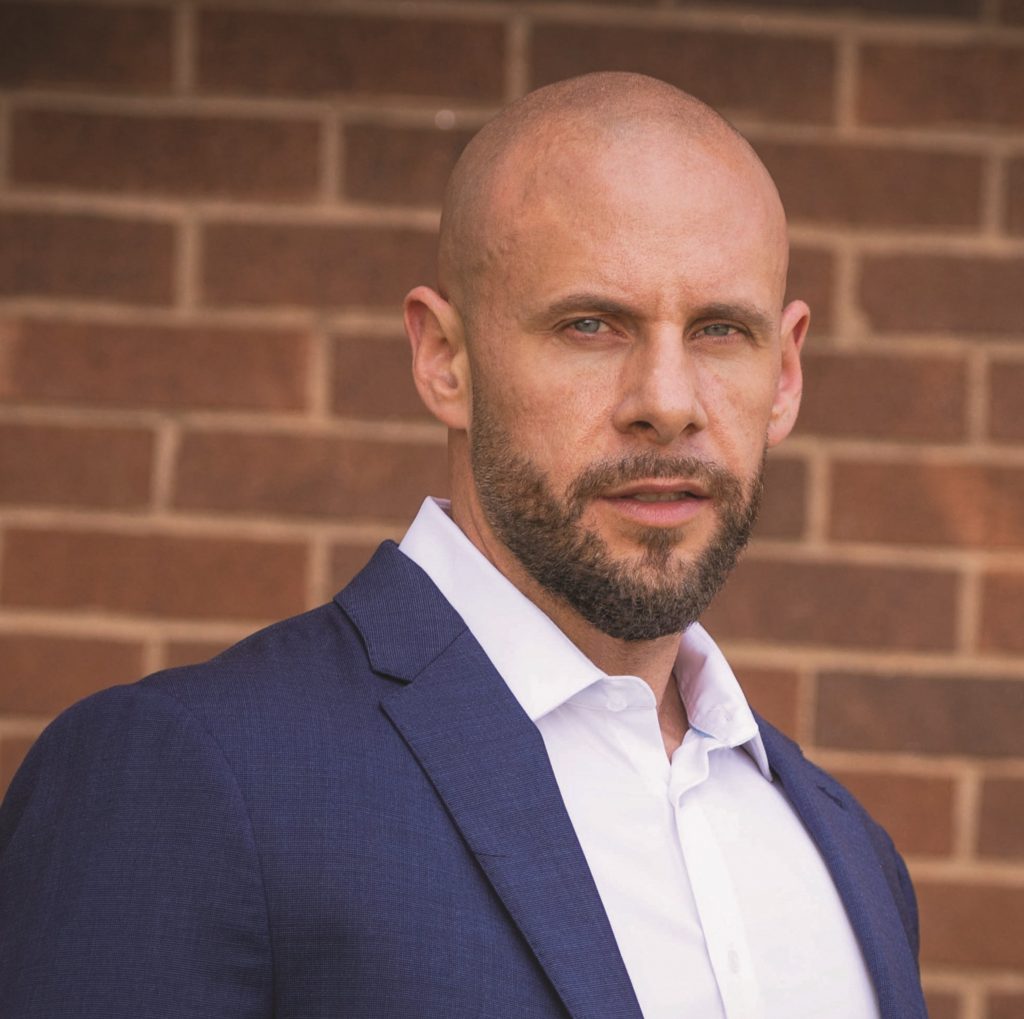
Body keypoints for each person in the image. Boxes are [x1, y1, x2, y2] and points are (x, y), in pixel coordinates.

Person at [0, 72, 926, 1018]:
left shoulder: (852, 856)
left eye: (722, 330)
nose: (669, 400)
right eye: (591, 325)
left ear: (785, 373)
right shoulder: (189, 777)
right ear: (444, 357)